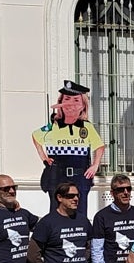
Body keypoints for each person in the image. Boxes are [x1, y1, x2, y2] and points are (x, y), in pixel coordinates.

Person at [32, 79, 105, 214]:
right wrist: (44, 158)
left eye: (75, 100)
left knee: (80, 213)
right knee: (56, 213)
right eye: (67, 99)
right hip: (57, 177)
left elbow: (100, 147)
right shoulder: (52, 126)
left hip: (79, 177)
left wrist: (95, 166)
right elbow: (36, 137)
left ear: (83, 105)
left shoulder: (86, 127)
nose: (70, 104)